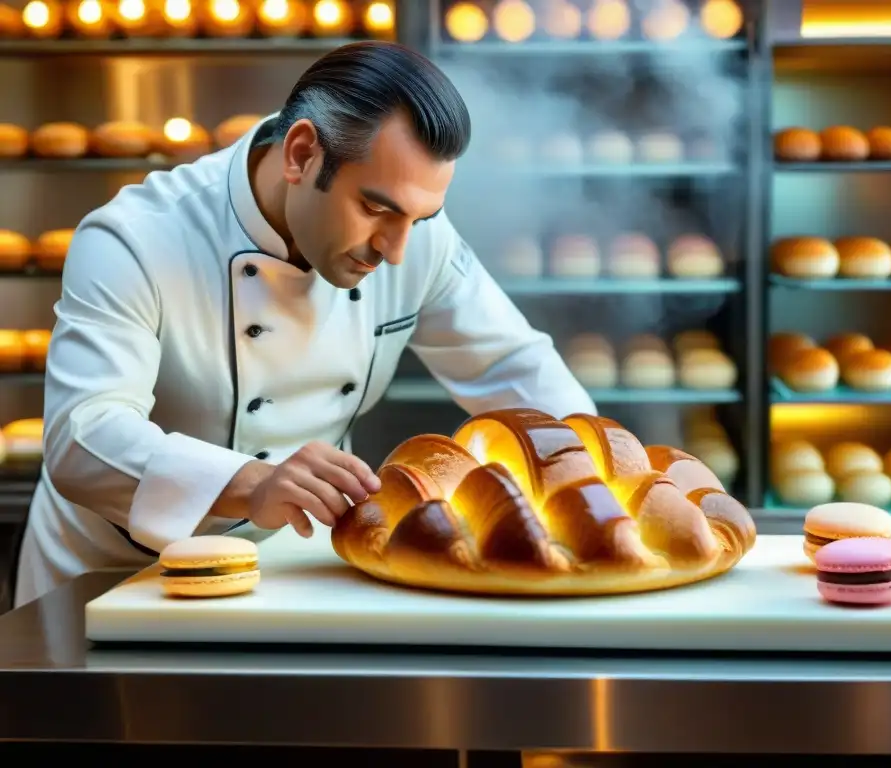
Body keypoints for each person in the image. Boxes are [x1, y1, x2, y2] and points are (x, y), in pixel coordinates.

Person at [14, 41, 595, 608]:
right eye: (374, 209)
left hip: (296, 569)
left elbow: (515, 366)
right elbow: (83, 437)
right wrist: (250, 483)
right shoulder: (135, 238)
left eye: (421, 218)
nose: (396, 251)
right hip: (110, 576)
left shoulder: (413, 236)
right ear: (299, 155)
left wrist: (598, 490)